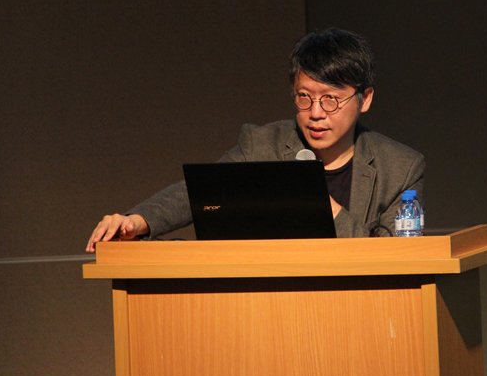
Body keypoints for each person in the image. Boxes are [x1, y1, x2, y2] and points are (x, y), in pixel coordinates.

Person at [85, 28, 424, 252]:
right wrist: (137, 221)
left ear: (365, 99)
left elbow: (393, 255)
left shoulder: (400, 168)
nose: (316, 113)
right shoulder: (263, 145)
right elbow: (200, 193)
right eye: (304, 97)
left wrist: (325, 209)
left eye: (331, 100)